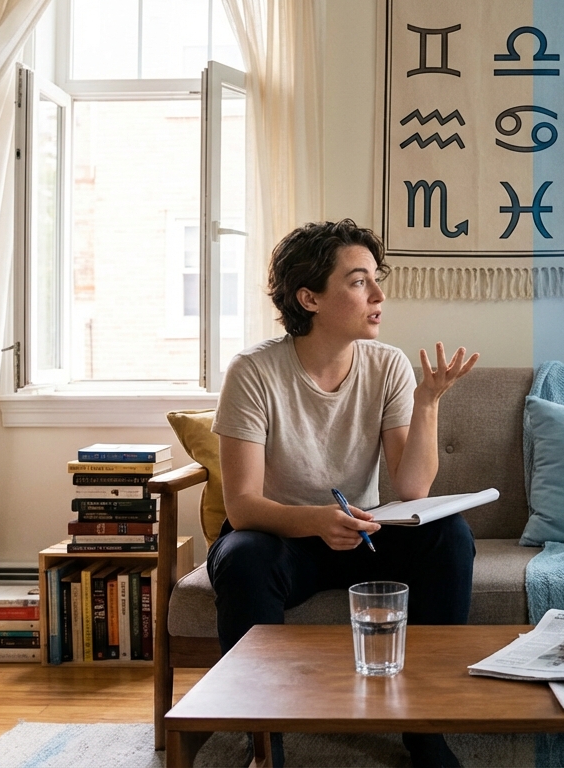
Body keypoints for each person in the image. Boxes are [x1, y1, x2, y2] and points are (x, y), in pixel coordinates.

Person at [207, 219, 477, 768]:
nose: (378, 295)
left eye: (377, 279)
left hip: (364, 535)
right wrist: (317, 520)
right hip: (280, 540)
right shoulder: (253, 372)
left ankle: (425, 728)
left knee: (449, 534)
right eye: (358, 282)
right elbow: (242, 506)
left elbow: (411, 488)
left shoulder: (389, 365)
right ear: (310, 297)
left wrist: (428, 403)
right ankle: (265, 744)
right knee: (243, 558)